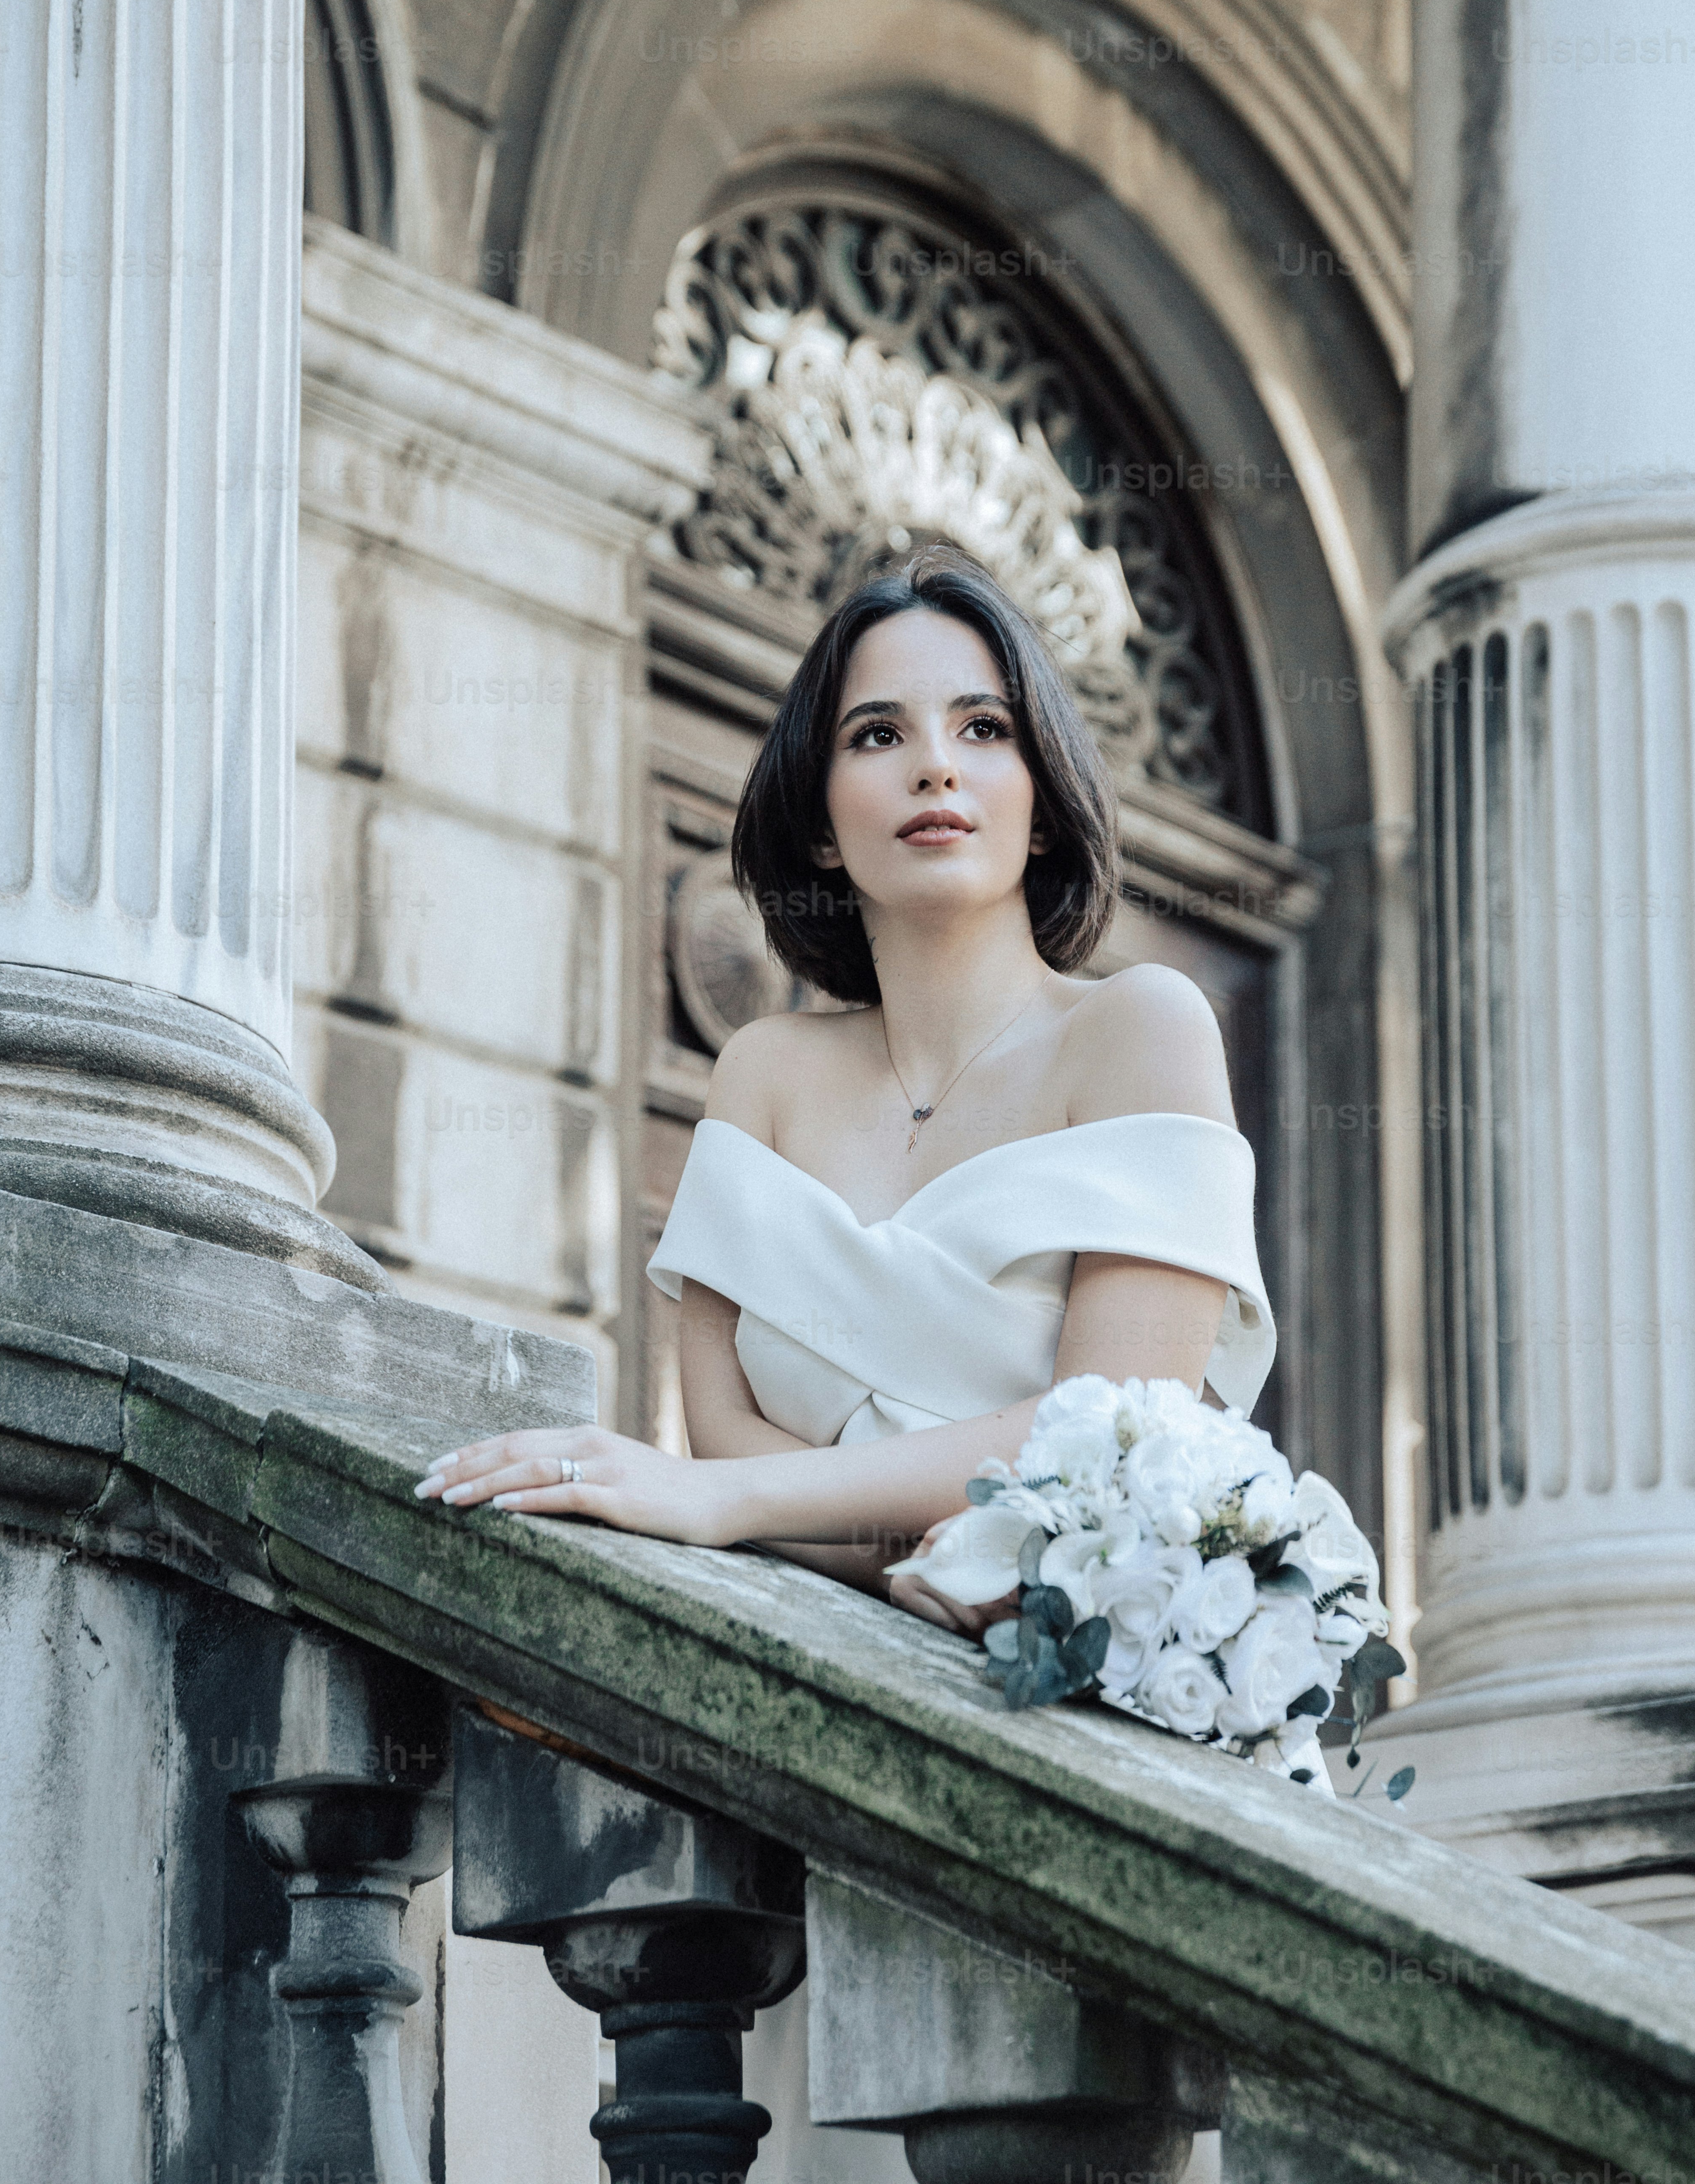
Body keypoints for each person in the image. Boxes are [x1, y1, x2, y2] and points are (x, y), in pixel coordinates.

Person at [415, 543, 1276, 1632]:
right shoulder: (763, 1075)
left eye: (983, 728)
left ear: (1044, 803)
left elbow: (1111, 1427)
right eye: (877, 734)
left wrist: (735, 1502)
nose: (935, 766)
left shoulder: (1141, 1028)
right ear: (821, 827)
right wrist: (929, 1559)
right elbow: (721, 1435)